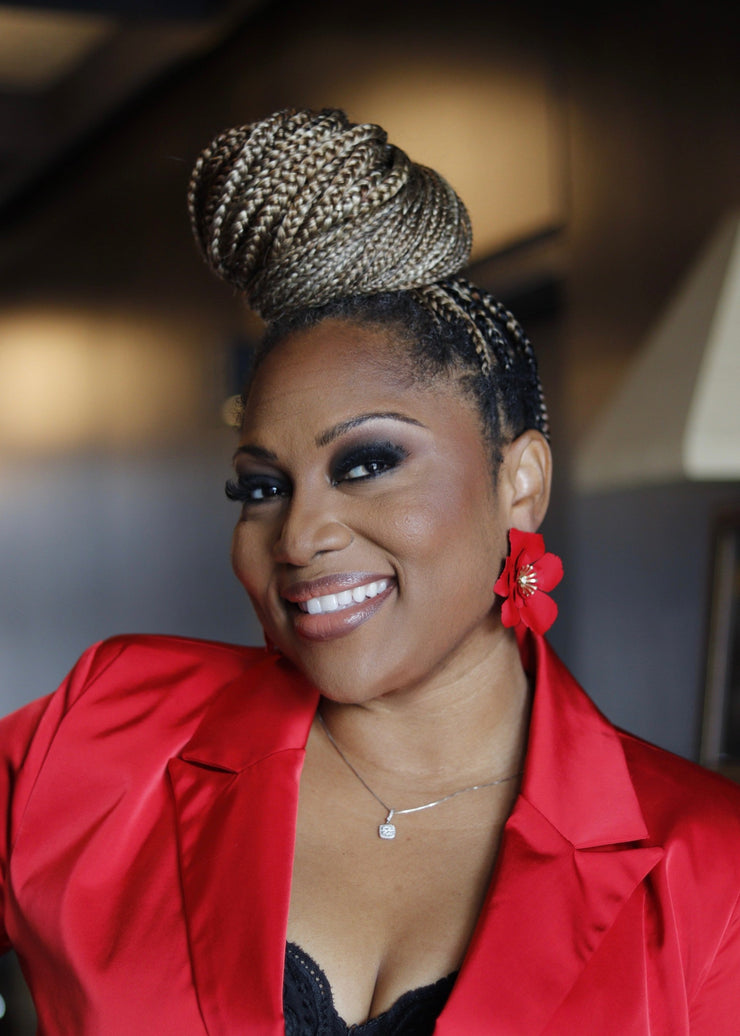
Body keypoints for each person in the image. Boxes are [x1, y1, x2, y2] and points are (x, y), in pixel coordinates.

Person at [0, 108, 739, 1036]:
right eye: (261, 487)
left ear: (520, 482)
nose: (300, 533)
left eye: (367, 464)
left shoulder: (709, 869)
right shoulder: (111, 734)